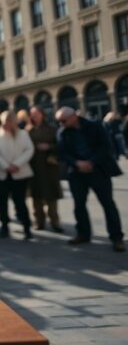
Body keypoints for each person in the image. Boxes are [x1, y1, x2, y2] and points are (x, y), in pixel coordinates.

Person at [56, 107, 124, 252]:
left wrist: (92, 162)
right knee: (79, 205)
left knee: (108, 204)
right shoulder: (62, 132)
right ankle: (83, 234)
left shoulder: (94, 126)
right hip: (77, 172)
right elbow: (62, 153)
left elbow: (106, 146)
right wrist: (77, 163)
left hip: (98, 170)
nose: (61, 123)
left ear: (74, 116)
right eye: (59, 121)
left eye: (63, 120)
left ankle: (116, 237)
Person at [0, 111, 34, 240]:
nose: (7, 125)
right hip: (1, 174)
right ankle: (4, 226)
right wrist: (5, 166)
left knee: (20, 201)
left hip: (20, 173)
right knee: (2, 202)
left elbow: (29, 150)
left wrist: (17, 164)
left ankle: (26, 227)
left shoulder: (23, 134)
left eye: (10, 122)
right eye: (5, 122)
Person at [27, 106, 63, 232]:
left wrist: (49, 147)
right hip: (33, 167)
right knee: (36, 196)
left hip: (49, 167)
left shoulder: (52, 129)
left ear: (42, 114)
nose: (35, 116)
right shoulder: (27, 130)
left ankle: (55, 222)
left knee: (51, 196)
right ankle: (39, 221)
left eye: (37, 113)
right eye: (32, 114)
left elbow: (60, 145)